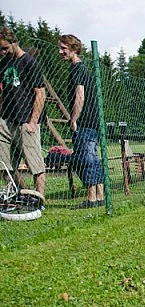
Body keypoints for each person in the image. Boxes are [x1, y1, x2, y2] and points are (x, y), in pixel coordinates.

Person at [0, 27, 47, 197]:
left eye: (5, 48)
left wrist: (33, 122)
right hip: (6, 120)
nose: (2, 52)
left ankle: (38, 200)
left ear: (14, 42)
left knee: (36, 165)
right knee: (4, 166)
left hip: (26, 120)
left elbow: (40, 93)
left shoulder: (29, 62)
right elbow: (2, 92)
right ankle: (22, 195)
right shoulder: (4, 63)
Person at [58, 34, 104, 208]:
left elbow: (80, 96)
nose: (60, 51)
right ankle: (100, 196)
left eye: (63, 48)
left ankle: (92, 199)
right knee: (92, 157)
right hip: (92, 121)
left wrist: (74, 119)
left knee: (86, 158)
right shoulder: (82, 69)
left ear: (74, 49)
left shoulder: (78, 69)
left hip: (84, 121)